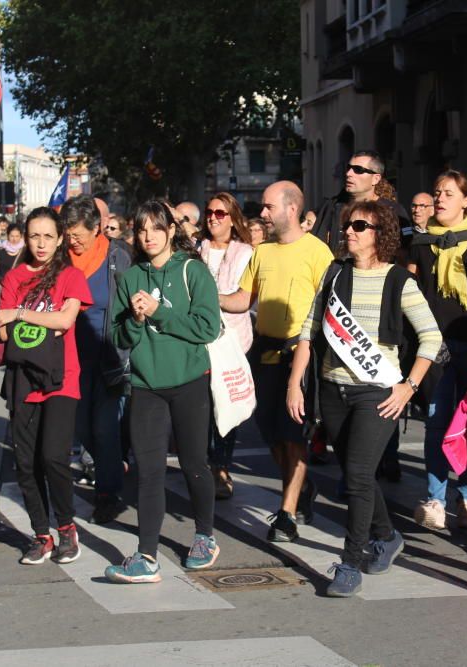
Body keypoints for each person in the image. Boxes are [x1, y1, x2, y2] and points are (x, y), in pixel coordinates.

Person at [288, 200, 442, 596]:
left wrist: (408, 386)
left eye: (360, 226)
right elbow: (309, 330)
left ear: (380, 234)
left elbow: (431, 336)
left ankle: (351, 562)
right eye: (348, 225)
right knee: (357, 474)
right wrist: (295, 382)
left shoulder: (398, 281)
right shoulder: (335, 273)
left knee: (355, 476)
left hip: (376, 392)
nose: (349, 231)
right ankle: (387, 535)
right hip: (333, 390)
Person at [105, 200, 221, 583]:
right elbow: (118, 337)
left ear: (171, 230)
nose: (149, 236)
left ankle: (204, 535)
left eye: (157, 228)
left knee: (193, 464)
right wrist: (137, 321)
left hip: (189, 382)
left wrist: (158, 312)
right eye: (141, 230)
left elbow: (207, 328)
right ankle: (146, 555)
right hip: (146, 385)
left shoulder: (192, 270)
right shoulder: (131, 277)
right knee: (149, 471)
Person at [221, 181, 334, 542]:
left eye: (269, 207)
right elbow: (244, 298)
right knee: (270, 433)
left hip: (299, 353)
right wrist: (211, 295)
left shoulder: (319, 253)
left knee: (293, 433)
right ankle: (302, 487)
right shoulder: (263, 253)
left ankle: (286, 513)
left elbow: (330, 310)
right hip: (263, 351)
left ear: (291, 209)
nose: (263, 214)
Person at [0, 207, 92, 565]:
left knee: (53, 456)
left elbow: (65, 320)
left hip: (61, 376)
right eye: (34, 235)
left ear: (60, 238)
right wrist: (25, 322)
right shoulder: (15, 276)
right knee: (24, 462)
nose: (41, 243)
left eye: (49, 236)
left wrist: (19, 314)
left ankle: (66, 529)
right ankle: (41, 534)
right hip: (22, 378)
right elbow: (1, 330)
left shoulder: (69, 275)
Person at [407, 170, 467, 533]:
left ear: (466, 200)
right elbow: (412, 291)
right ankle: (435, 497)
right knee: (436, 420)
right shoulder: (421, 241)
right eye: (437, 192)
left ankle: (465, 493)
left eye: (449, 193)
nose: (441, 198)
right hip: (436, 345)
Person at [60, 195, 132, 524]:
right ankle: (111, 467)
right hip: (69, 359)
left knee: (105, 428)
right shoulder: (60, 258)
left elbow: (131, 303)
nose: (72, 241)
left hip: (108, 356)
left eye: (78, 235)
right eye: (68, 234)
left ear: (97, 228)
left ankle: (108, 493)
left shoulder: (118, 256)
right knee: (80, 428)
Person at [200, 193, 254, 499]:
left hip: (232, 342)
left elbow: (244, 299)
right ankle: (207, 464)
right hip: (198, 340)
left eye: (220, 213)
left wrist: (211, 300)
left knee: (226, 407)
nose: (213, 218)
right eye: (209, 212)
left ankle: (221, 467)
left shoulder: (246, 253)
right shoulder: (197, 249)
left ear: (232, 218)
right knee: (203, 408)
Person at [312, 151, 411, 253]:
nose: (348, 174)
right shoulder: (332, 207)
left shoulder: (393, 210)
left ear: (375, 179)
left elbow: (408, 240)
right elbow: (316, 245)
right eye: (348, 168)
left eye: (358, 170)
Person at [0, 224, 24, 290]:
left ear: (21, 236)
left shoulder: (25, 251)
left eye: (17, 236)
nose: (14, 239)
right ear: (8, 236)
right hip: (2, 287)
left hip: (19, 287)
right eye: (12, 236)